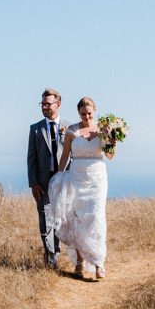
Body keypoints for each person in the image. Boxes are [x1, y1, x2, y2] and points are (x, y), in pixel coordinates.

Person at [47, 97, 114, 280]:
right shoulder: (71, 131)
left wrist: (110, 138)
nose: (87, 117)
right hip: (76, 178)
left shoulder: (103, 130)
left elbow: (109, 155)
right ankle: (79, 262)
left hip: (97, 179)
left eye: (89, 113)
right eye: (83, 114)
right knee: (77, 218)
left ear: (95, 111)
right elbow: (65, 156)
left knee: (96, 217)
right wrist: (59, 178)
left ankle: (99, 263)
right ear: (78, 113)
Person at [27, 88, 66, 269]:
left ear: (57, 105)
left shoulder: (69, 127)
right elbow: (31, 158)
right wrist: (33, 183)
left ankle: (58, 253)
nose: (44, 107)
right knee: (45, 220)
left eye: (47, 104)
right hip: (42, 182)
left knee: (60, 220)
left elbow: (73, 156)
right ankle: (51, 258)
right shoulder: (35, 129)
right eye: (42, 104)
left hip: (63, 181)